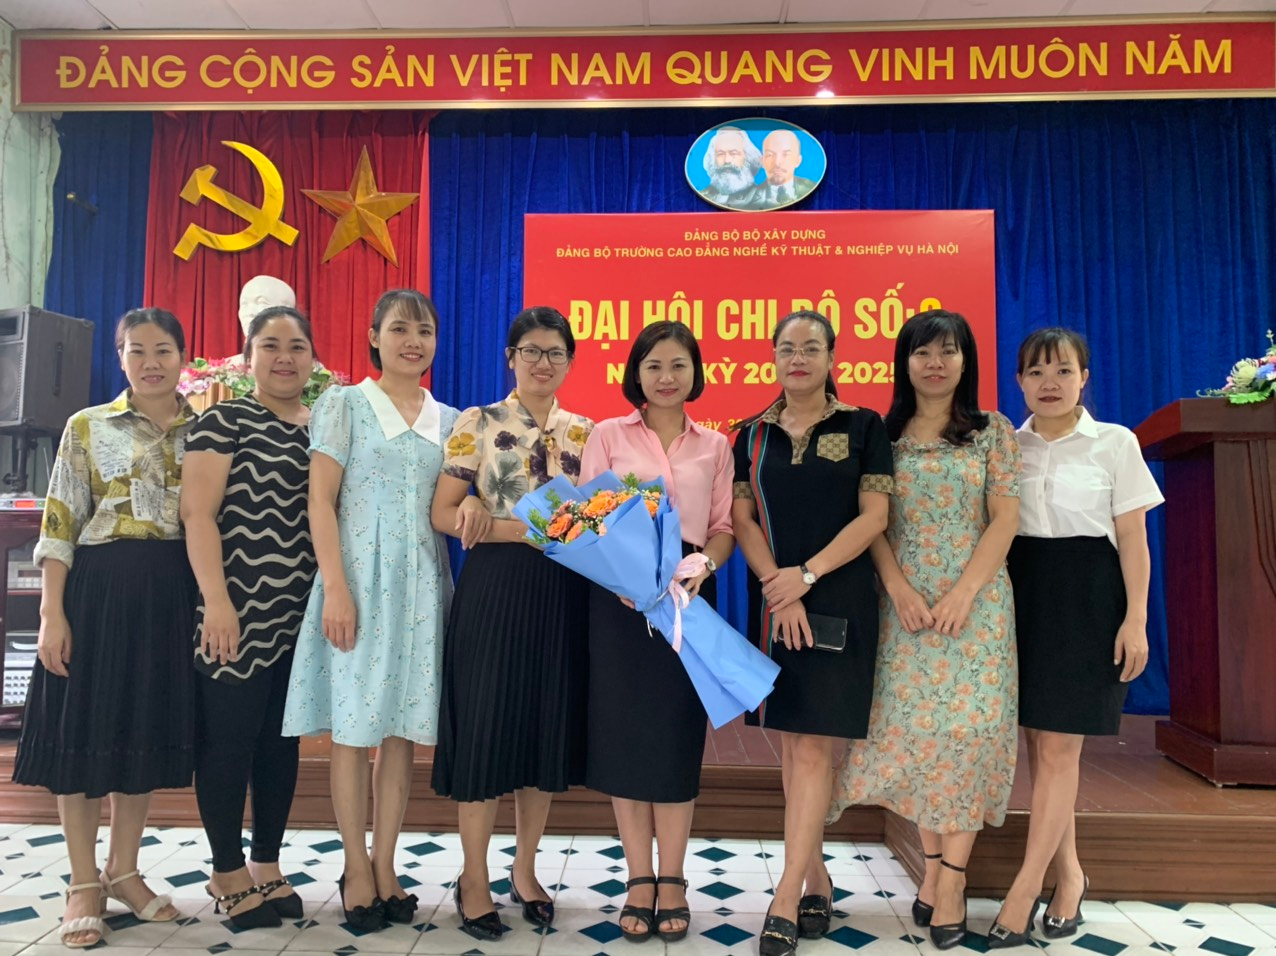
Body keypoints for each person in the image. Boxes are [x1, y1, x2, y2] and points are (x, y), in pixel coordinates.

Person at [828, 309, 1021, 951]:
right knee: (922, 739)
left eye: (948, 351)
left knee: (968, 739)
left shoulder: (992, 431)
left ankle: (953, 881)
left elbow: (1004, 519)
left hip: (977, 609)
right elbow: (873, 521)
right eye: (922, 353)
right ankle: (934, 870)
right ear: (904, 363)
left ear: (966, 360)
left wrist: (964, 592)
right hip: (903, 609)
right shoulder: (881, 434)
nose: (935, 364)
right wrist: (898, 588)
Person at [13, 308, 197, 947]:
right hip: (96, 593)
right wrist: (51, 612)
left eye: (163, 349)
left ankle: (124, 870)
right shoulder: (87, 426)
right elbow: (59, 522)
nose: (151, 362)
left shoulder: (205, 430)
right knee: (84, 732)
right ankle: (83, 882)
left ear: (182, 356)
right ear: (120, 358)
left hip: (169, 594)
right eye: (136, 350)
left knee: (139, 728)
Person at [281, 289, 457, 932]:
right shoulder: (345, 404)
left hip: (423, 587)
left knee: (401, 733)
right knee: (354, 732)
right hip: (357, 581)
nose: (414, 341)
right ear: (374, 336)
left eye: (425, 330)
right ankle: (354, 865)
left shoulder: (451, 419)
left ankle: (387, 863)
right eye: (400, 329)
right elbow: (320, 501)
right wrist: (336, 586)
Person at [985, 328, 1163, 948]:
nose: (1050, 383)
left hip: (1090, 598)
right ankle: (1071, 876)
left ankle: (1024, 889)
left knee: (1061, 749)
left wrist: (1135, 618)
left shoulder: (1115, 442)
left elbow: (1133, 539)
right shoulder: (1006, 446)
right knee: (1040, 748)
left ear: (1085, 377)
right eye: (1036, 373)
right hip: (1022, 595)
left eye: (1063, 371)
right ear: (1019, 382)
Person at [730, 311, 892, 956]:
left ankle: (785, 895)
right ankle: (817, 874)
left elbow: (874, 516)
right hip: (776, 601)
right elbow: (742, 519)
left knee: (815, 749)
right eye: (787, 348)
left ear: (831, 358)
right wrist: (779, 585)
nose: (798, 358)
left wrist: (807, 575)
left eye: (811, 348)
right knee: (795, 744)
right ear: (773, 357)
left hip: (838, 597)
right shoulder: (752, 434)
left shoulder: (863, 426)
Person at [430, 306, 594, 940]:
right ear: (510, 357)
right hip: (495, 591)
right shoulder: (478, 422)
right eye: (531, 351)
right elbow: (443, 512)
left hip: (562, 595)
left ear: (570, 361)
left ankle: (525, 871)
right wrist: (509, 524)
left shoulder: (586, 433)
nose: (542, 362)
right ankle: (473, 878)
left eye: (555, 352)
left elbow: (596, 522)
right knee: (486, 729)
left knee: (542, 730)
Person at [578, 321, 735, 944]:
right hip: (619, 598)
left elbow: (722, 527)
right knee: (625, 735)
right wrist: (624, 578)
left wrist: (704, 567)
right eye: (653, 366)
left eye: (678, 365)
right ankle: (638, 879)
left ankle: (673, 878)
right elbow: (585, 520)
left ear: (695, 372)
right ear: (635, 374)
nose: (666, 377)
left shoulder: (715, 445)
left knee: (674, 736)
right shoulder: (606, 435)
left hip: (686, 598)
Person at [181, 306, 319, 929]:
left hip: (300, 614)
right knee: (228, 742)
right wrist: (216, 601)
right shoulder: (224, 419)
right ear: (248, 357)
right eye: (270, 345)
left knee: (280, 745)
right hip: (235, 611)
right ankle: (226, 871)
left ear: (313, 358)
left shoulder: (323, 426)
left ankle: (266, 862)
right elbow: (197, 514)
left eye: (296, 346)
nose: (284, 357)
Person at [738, 130, 817, 210]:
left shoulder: (814, 191)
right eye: (770, 155)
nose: (777, 162)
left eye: (786, 155)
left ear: (798, 161)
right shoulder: (748, 198)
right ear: (763, 161)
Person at [226, 276, 296, 364]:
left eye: (261, 302)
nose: (249, 312)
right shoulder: (224, 369)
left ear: (287, 311)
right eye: (244, 304)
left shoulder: (305, 368)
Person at [698, 126, 764, 209]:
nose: (727, 160)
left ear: (747, 157)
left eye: (733, 153)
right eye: (720, 154)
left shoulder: (763, 198)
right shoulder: (703, 196)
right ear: (712, 159)